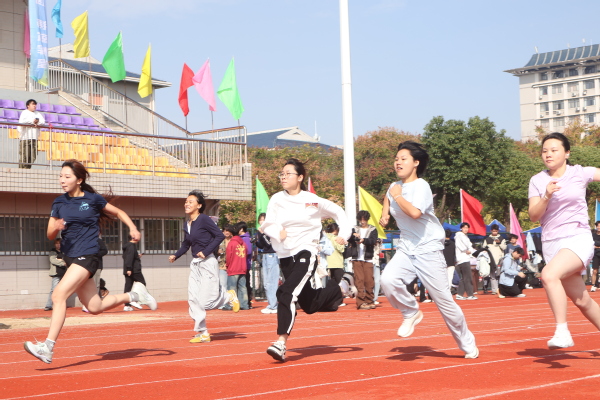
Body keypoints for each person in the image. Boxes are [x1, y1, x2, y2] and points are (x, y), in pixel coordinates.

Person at [24, 160, 157, 364]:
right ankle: (135, 294)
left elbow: (119, 212)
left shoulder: (93, 199)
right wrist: (57, 226)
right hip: (70, 257)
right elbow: (50, 234)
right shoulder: (58, 203)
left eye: (67, 176)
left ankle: (47, 347)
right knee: (95, 306)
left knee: (58, 295)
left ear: (79, 180)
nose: (62, 180)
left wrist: (132, 227)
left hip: (88, 255)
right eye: (60, 176)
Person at [379, 141, 478, 358]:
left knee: (444, 301)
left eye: (403, 159)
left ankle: (467, 341)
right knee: (387, 279)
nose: (398, 162)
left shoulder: (421, 186)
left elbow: (415, 213)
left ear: (416, 162)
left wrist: (397, 196)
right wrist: (385, 213)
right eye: (396, 159)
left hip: (428, 249)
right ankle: (410, 311)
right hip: (406, 247)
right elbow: (388, 196)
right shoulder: (394, 186)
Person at [261, 158, 351, 362]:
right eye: (281, 174)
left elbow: (338, 211)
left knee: (286, 292)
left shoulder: (312, 200)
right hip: (285, 255)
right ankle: (342, 287)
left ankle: (280, 343)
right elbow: (268, 224)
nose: (283, 177)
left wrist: (344, 233)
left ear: (300, 177)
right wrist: (277, 232)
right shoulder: (276, 199)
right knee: (309, 303)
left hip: (306, 252)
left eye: (288, 173)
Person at [528, 132, 600, 349]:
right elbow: (533, 216)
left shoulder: (579, 172)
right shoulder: (537, 180)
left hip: (577, 237)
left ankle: (562, 331)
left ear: (567, 153)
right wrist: (547, 195)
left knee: (549, 275)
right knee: (582, 300)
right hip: (551, 243)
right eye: (544, 151)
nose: (548, 154)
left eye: (554, 150)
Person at [169, 191, 240, 343]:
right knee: (193, 299)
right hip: (195, 264)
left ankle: (228, 296)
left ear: (199, 205)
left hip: (208, 262)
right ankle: (203, 333)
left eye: (191, 202)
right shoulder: (187, 224)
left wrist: (206, 251)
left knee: (205, 302)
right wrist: (176, 255)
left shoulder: (204, 219)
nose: (187, 204)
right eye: (186, 201)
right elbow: (186, 244)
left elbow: (219, 236)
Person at [347, 210, 379, 310]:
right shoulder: (354, 229)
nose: (362, 221)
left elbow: (373, 241)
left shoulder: (373, 229)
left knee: (369, 281)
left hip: (368, 258)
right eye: (360, 219)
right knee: (359, 280)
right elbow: (348, 239)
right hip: (356, 258)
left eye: (364, 219)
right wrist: (353, 236)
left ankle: (370, 300)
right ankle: (361, 302)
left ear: (367, 219)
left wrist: (363, 240)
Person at [256, 213, 280, 314]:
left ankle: (273, 306)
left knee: (271, 282)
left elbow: (269, 244)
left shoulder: (271, 231)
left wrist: (262, 234)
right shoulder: (261, 231)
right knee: (266, 283)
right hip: (265, 255)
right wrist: (256, 241)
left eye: (263, 219)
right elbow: (262, 245)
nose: (261, 221)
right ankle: (271, 304)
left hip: (272, 255)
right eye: (260, 219)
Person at [225, 225, 250, 310]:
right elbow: (246, 254)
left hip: (233, 268)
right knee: (243, 287)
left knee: (231, 288)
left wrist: (227, 266)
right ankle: (244, 305)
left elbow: (228, 257)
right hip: (242, 267)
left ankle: (230, 305)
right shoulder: (243, 243)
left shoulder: (231, 243)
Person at [17, 99, 45, 169]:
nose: (34, 106)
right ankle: (22, 170)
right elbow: (23, 122)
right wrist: (33, 122)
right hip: (25, 138)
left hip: (34, 138)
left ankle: (27, 169)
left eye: (35, 104)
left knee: (33, 156)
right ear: (28, 105)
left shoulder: (37, 113)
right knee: (25, 156)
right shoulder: (24, 112)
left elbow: (43, 122)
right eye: (33, 104)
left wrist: (37, 122)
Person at [82, 237, 108, 313]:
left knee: (96, 285)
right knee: (87, 285)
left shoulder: (98, 240)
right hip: (87, 266)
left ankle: (94, 305)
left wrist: (95, 254)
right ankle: (87, 304)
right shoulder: (84, 240)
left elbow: (105, 251)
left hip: (96, 266)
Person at [122, 235, 146, 311]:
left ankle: (127, 305)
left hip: (129, 269)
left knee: (128, 286)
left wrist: (137, 256)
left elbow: (126, 257)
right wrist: (129, 268)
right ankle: (134, 300)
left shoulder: (127, 246)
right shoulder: (131, 246)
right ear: (133, 238)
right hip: (134, 270)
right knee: (142, 284)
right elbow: (129, 257)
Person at [482, 224, 506, 295]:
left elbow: (504, 248)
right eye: (493, 231)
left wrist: (499, 243)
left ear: (498, 231)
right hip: (491, 260)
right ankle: (494, 290)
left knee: (500, 275)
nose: (495, 232)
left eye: (496, 231)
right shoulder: (487, 239)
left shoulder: (502, 239)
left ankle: (501, 289)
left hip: (499, 259)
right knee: (492, 276)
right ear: (491, 231)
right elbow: (483, 248)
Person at [455, 223, 477, 300]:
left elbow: (470, 247)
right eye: (464, 227)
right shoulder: (459, 235)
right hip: (463, 259)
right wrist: (468, 250)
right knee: (468, 277)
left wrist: (470, 250)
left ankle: (460, 294)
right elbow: (463, 247)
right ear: (461, 228)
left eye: (467, 228)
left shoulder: (464, 236)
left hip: (463, 259)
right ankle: (470, 294)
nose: (466, 229)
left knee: (464, 278)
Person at [44, 238, 66, 311]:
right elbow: (53, 260)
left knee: (63, 290)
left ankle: (61, 304)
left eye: (59, 244)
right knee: (53, 289)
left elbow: (67, 260)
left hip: (64, 273)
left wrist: (60, 260)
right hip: (56, 273)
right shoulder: (53, 252)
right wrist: (63, 263)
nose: (58, 245)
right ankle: (48, 305)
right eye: (57, 243)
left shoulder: (64, 252)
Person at [236, 221, 254, 308]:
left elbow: (249, 251)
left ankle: (247, 302)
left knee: (246, 283)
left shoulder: (246, 238)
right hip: (240, 264)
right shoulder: (239, 238)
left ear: (241, 229)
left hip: (245, 264)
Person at [591, 221, 600, 292]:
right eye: (598, 226)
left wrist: (596, 246)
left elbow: (595, 246)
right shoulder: (593, 235)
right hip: (595, 254)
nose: (599, 227)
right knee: (595, 271)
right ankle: (594, 285)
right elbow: (591, 244)